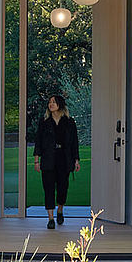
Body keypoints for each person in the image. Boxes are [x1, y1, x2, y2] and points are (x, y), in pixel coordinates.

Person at [33, 94, 81, 229]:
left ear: (60, 104)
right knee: (48, 188)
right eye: (49, 102)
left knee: (62, 188)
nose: (51, 104)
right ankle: (50, 218)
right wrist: (36, 160)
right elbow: (38, 141)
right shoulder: (44, 122)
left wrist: (76, 160)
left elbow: (74, 143)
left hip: (64, 159)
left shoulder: (69, 122)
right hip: (48, 158)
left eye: (53, 102)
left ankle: (60, 210)